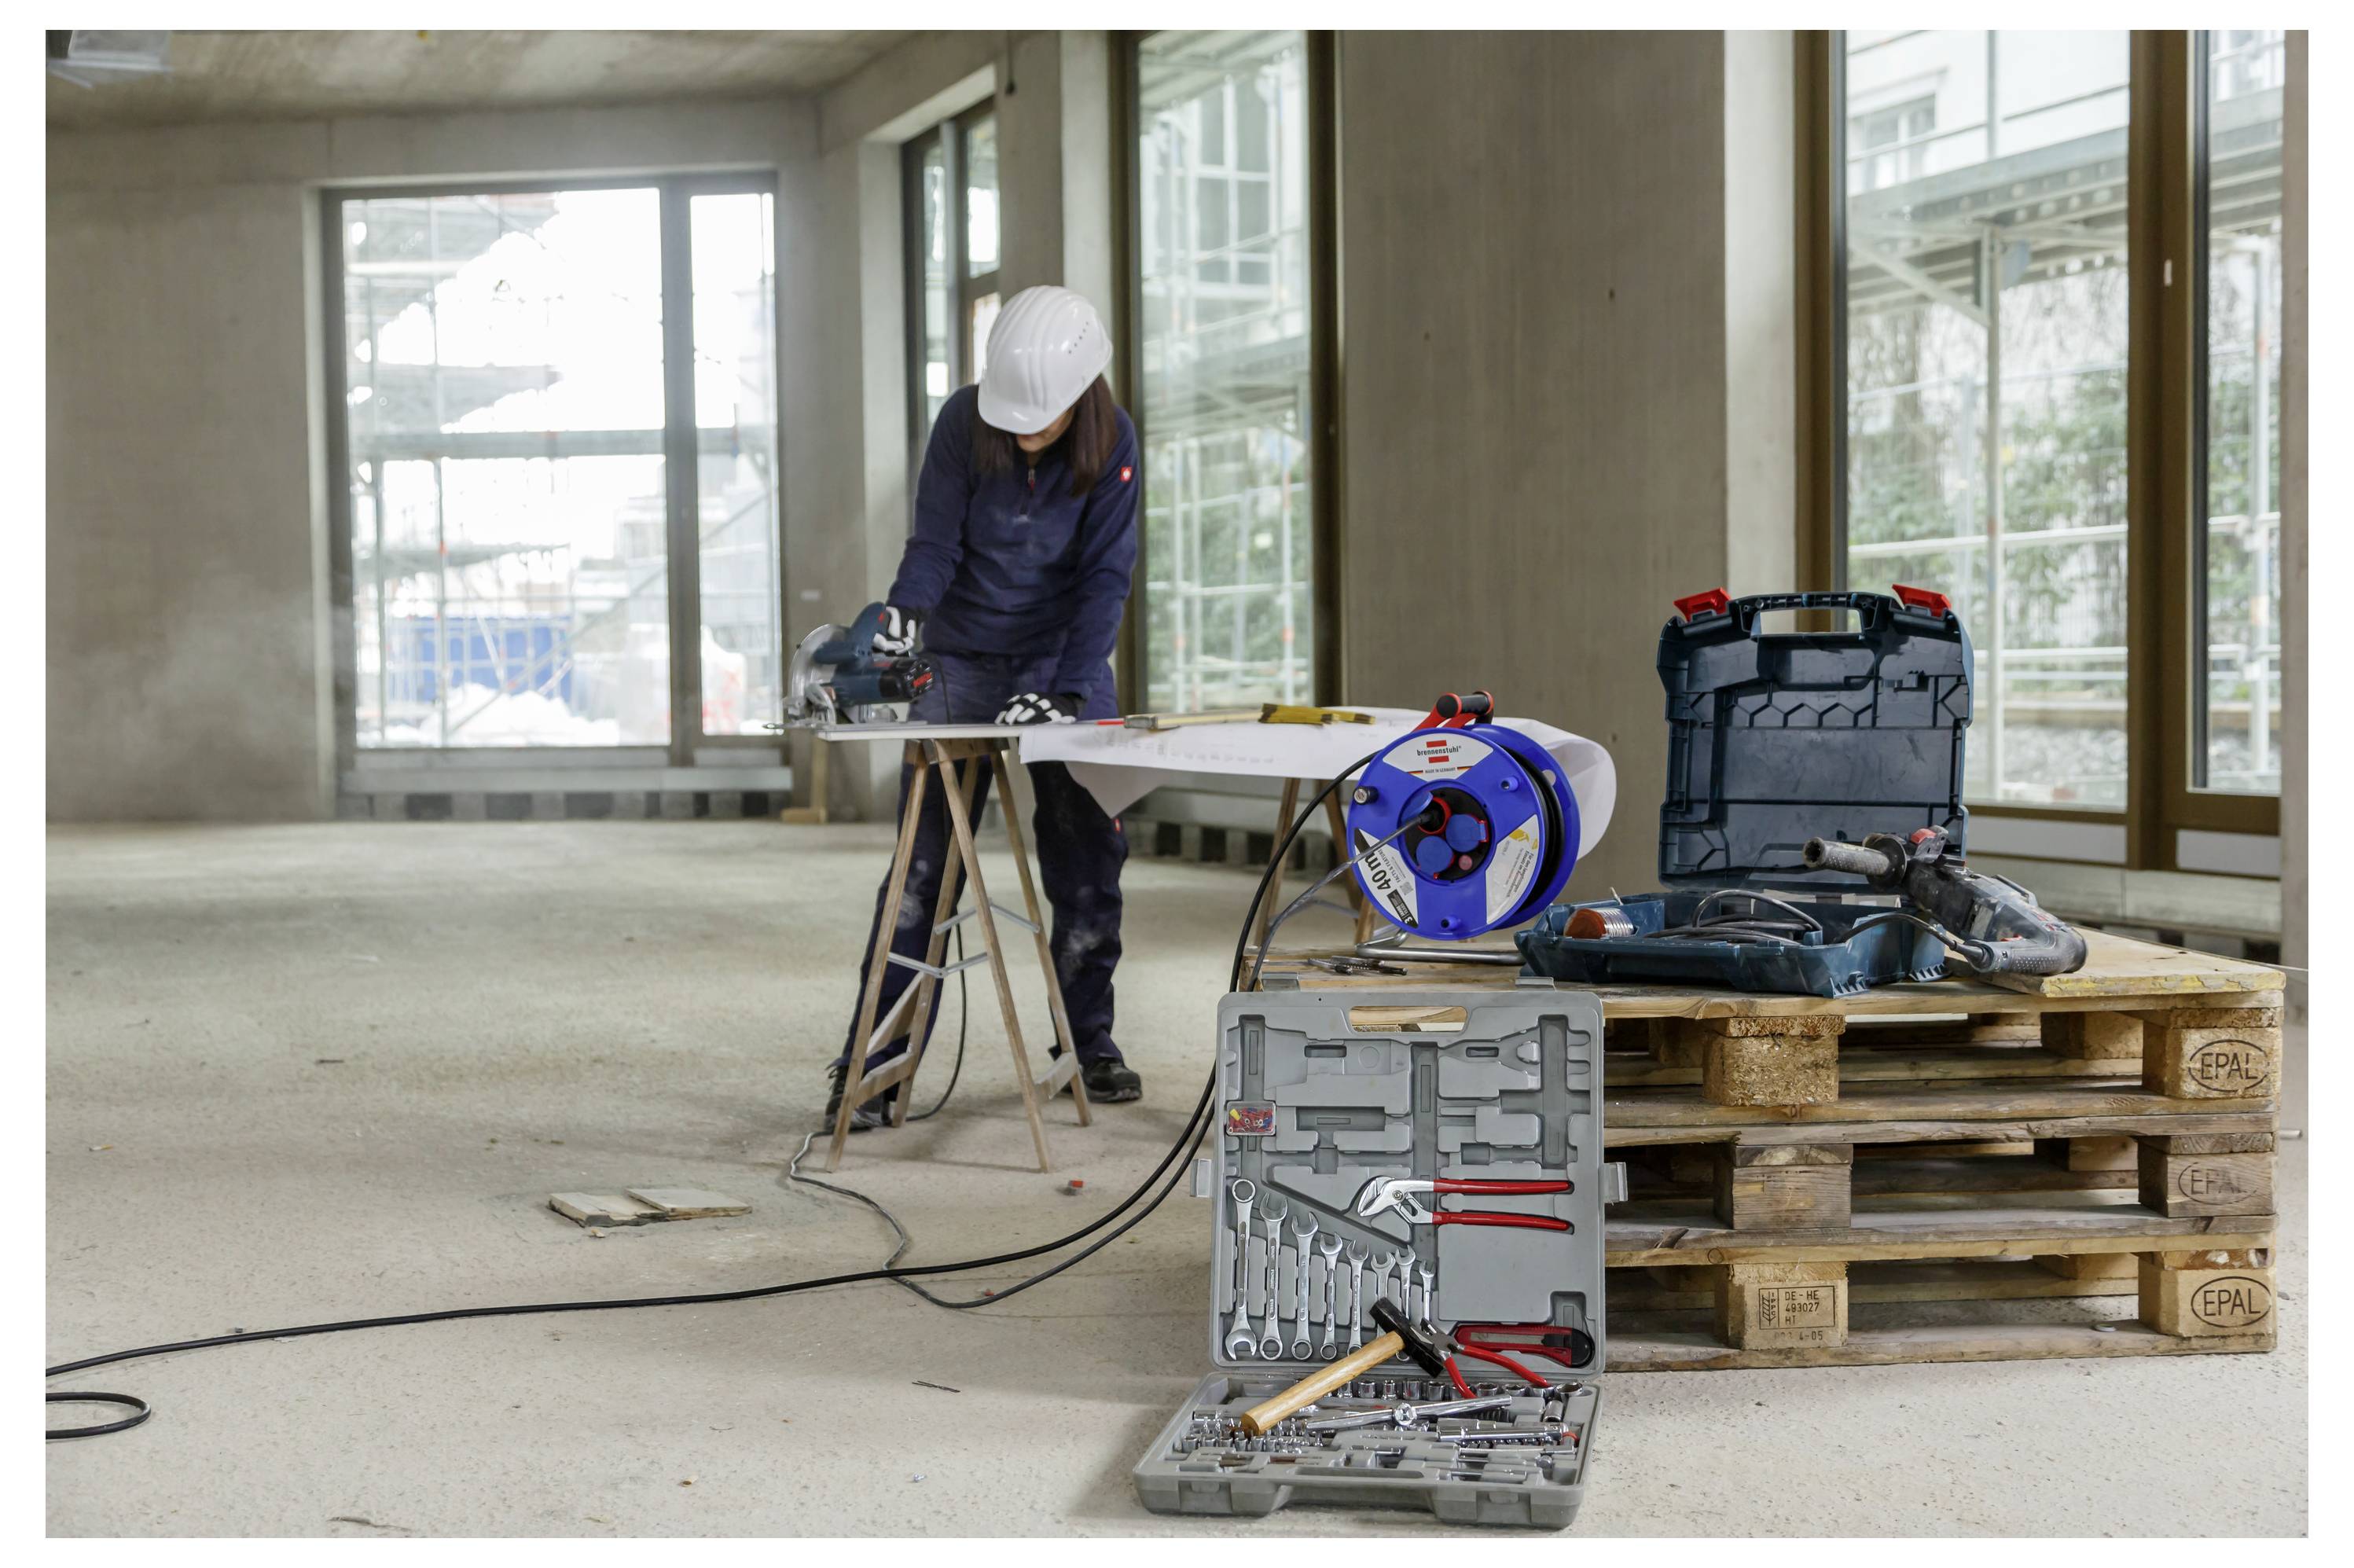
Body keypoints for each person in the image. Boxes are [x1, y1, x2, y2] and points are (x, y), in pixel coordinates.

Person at [824, 285, 1144, 1133]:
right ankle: (879, 1064)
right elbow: (935, 542)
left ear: (1080, 393)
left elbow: (1103, 580)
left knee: (1086, 849)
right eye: (1015, 419)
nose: (1023, 432)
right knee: (922, 868)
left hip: (1060, 655)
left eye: (1039, 421)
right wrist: (902, 621)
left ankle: (1090, 1041)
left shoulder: (1114, 446)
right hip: (960, 653)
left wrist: (1072, 690)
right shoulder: (965, 422)